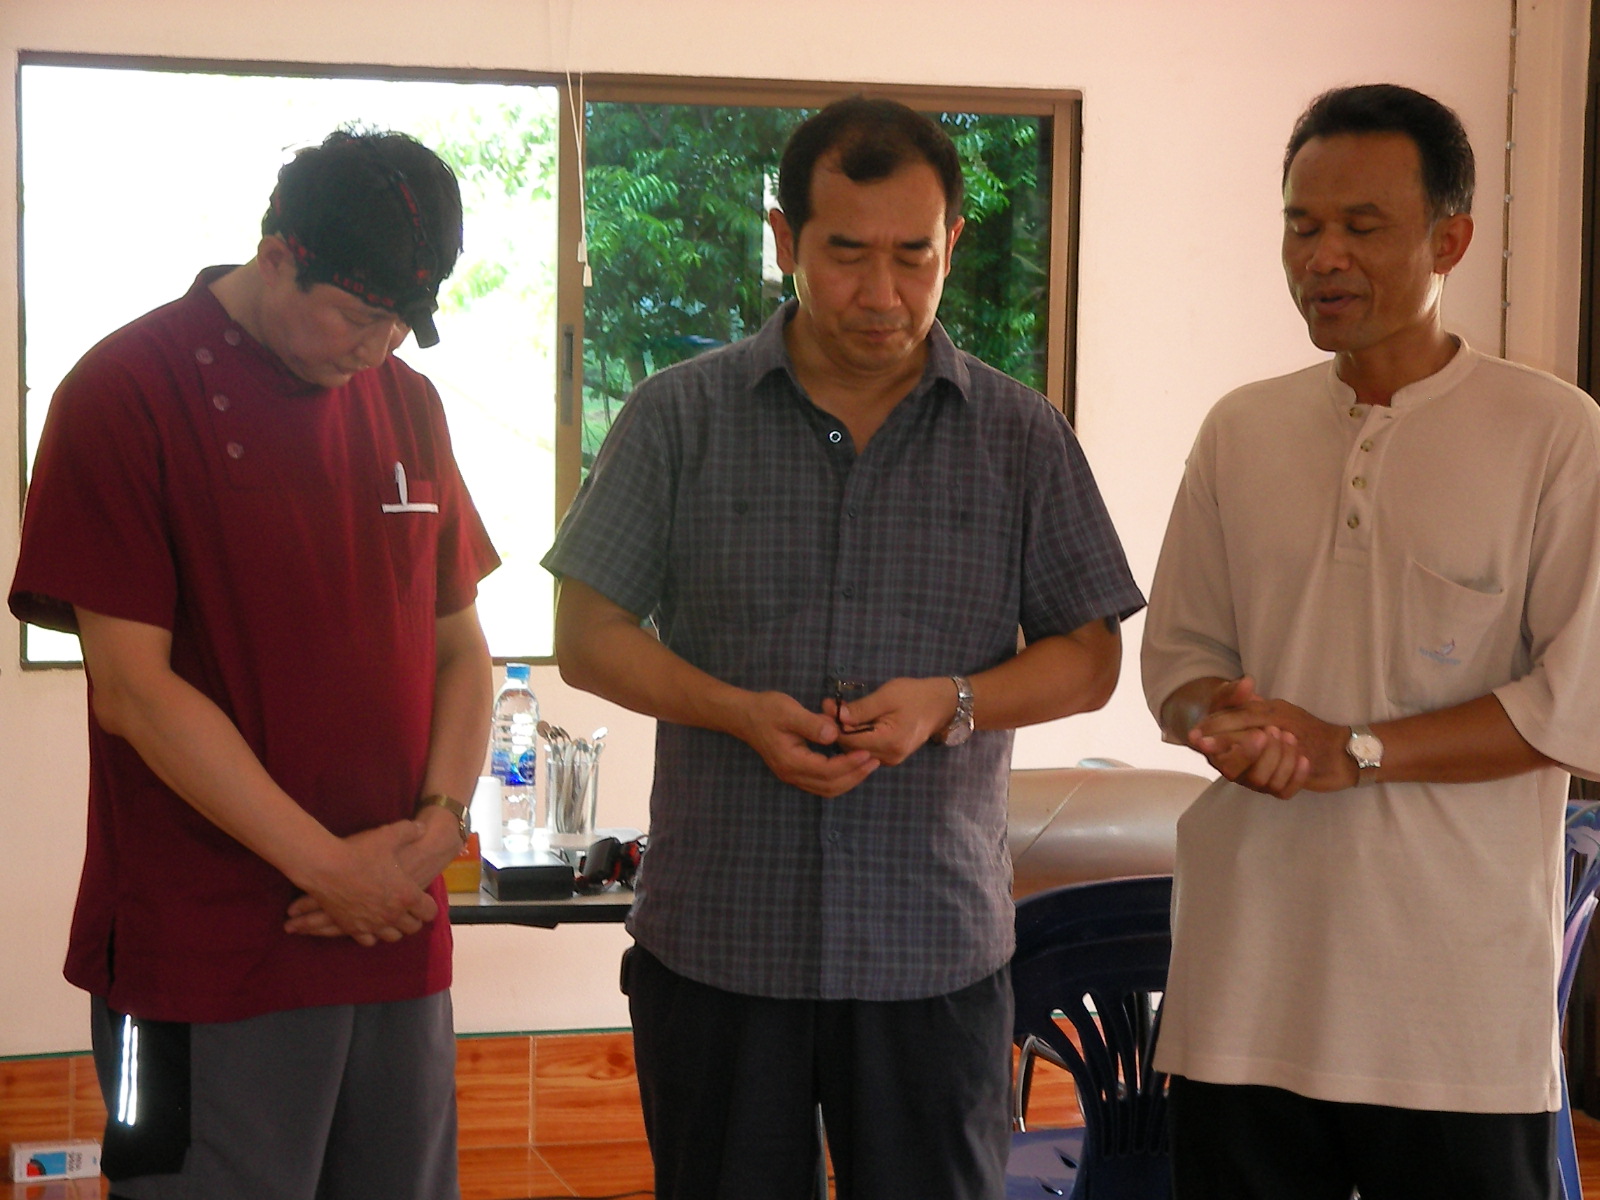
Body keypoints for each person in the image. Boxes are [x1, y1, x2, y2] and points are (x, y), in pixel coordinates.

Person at [543, 96, 1144, 1200]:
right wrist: (735, 711)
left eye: (913, 256)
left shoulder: (1019, 435)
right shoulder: (679, 417)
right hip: (720, 946)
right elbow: (585, 637)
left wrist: (951, 701)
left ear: (953, 241)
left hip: (932, 954)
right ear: (785, 239)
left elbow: (1090, 657)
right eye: (846, 254)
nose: (882, 293)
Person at [8, 129, 499, 1200]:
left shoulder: (408, 402)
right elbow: (134, 692)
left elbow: (462, 647)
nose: (376, 348)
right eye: (357, 316)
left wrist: (438, 824)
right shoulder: (125, 391)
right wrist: (331, 869)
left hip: (391, 932)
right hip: (200, 950)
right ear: (278, 256)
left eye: (401, 325)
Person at [1141, 83, 1600, 1199]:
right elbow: (1177, 663)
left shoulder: (1554, 433)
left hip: (1454, 1021)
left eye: (1361, 226)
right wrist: (1222, 722)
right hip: (1242, 1000)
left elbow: (1574, 708)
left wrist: (1355, 750)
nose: (1323, 258)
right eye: (1301, 225)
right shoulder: (1240, 428)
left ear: (1451, 240)